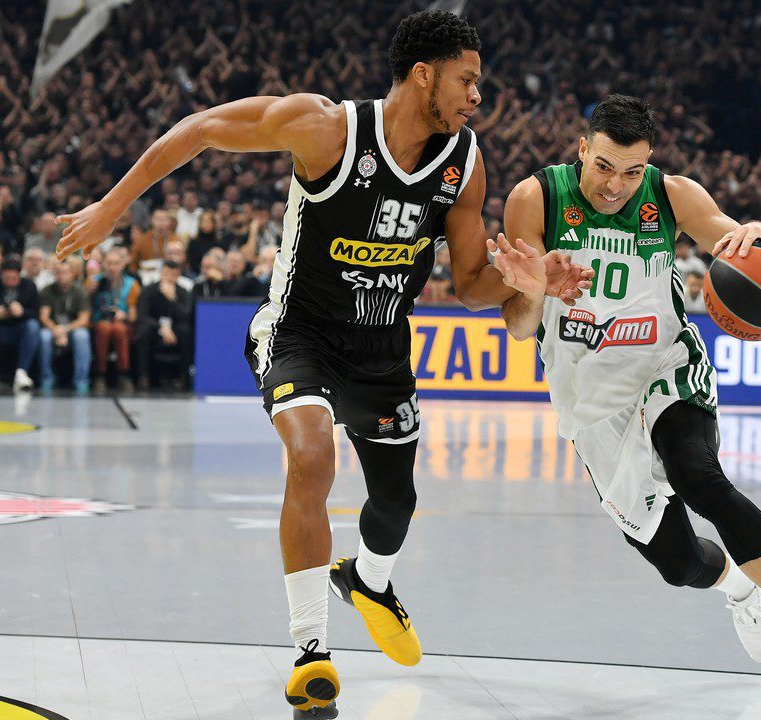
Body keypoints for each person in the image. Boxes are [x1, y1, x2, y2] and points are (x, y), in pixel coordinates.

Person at [52, 11, 588, 715]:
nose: (477, 95)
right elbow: (202, 128)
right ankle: (311, 654)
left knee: (396, 503)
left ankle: (368, 580)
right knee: (311, 457)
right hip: (298, 332)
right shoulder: (327, 128)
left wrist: (526, 280)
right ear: (423, 75)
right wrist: (111, 207)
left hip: (381, 352)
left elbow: (468, 283)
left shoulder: (465, 160)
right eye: (466, 79)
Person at [491, 94, 761, 686]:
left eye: (632, 171)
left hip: (663, 364)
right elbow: (520, 327)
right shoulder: (537, 198)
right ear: (582, 149)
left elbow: (731, 239)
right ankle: (739, 588)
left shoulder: (672, 195)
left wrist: (752, 233)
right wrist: (534, 288)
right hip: (590, 400)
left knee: (698, 475)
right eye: (604, 166)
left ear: (647, 163)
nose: (616, 185)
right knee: (677, 563)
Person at [0, 255, 41, 391]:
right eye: (6, 278)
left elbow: (36, 314)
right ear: (1, 274)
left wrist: (22, 312)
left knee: (33, 326)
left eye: (13, 278)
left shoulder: (29, 286)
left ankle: (22, 372)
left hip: (20, 328)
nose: (10, 282)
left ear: (19, 275)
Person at [134, 259, 192, 389]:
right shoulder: (148, 291)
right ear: (161, 274)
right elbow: (143, 316)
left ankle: (183, 377)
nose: (168, 278)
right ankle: (144, 376)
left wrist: (172, 299)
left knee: (185, 331)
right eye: (166, 274)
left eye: (173, 275)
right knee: (144, 330)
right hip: (155, 328)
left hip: (175, 330)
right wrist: (161, 327)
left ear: (178, 276)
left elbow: (185, 316)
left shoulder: (183, 292)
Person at [38, 256, 92, 392]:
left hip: (72, 329)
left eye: (65, 273)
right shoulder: (47, 291)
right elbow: (44, 317)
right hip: (53, 328)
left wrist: (65, 329)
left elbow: (84, 319)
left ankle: (81, 380)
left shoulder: (79, 291)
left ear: (72, 274)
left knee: (82, 336)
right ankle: (46, 378)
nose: (61, 276)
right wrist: (56, 330)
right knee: (44, 336)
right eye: (58, 272)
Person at [90, 247, 140, 392]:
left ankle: (123, 373)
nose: (112, 267)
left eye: (116, 263)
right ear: (103, 264)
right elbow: (87, 308)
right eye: (109, 263)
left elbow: (133, 316)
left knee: (118, 329)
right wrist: (90, 291)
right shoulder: (95, 282)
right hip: (100, 320)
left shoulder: (132, 284)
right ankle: (100, 374)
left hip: (122, 322)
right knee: (104, 328)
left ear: (122, 264)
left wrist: (123, 314)